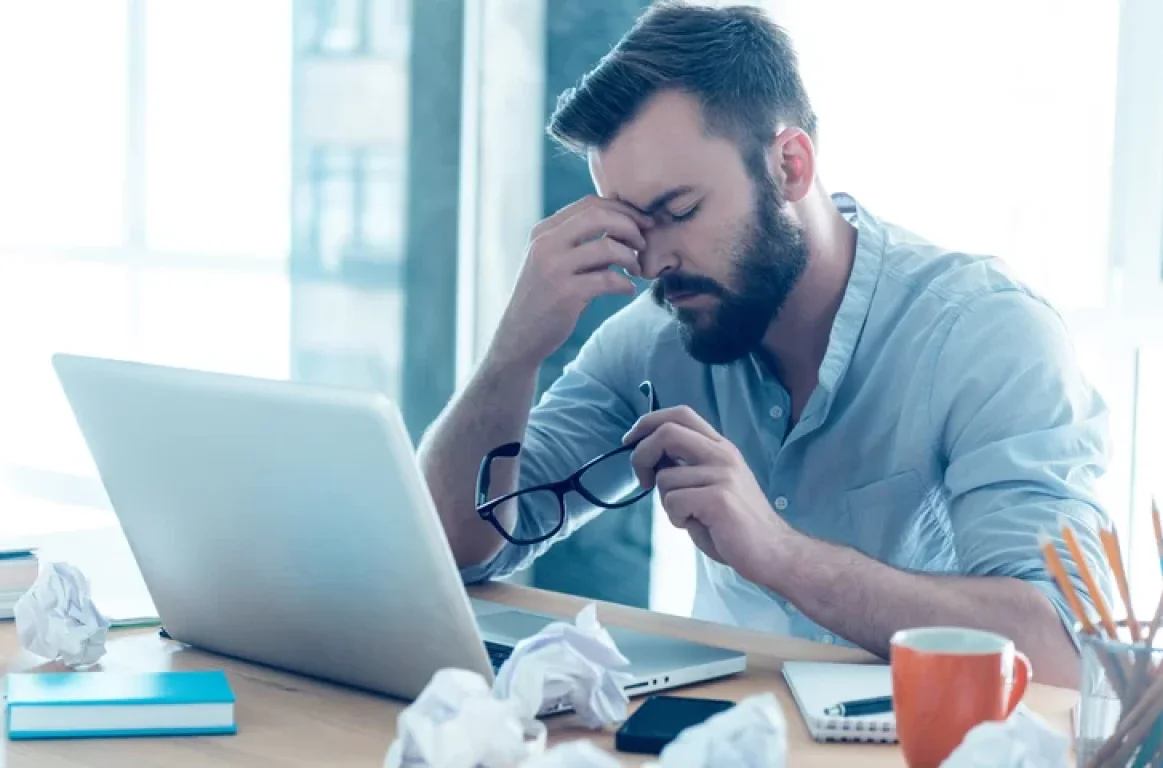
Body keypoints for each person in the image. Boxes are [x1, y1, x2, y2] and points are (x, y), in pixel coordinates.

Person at [417, 0, 1110, 688]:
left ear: (791, 165)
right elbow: (456, 549)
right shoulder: (654, 341)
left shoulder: (986, 338)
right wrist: (513, 351)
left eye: (679, 211)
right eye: (632, 227)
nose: (654, 262)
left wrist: (781, 554)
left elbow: (1063, 652)